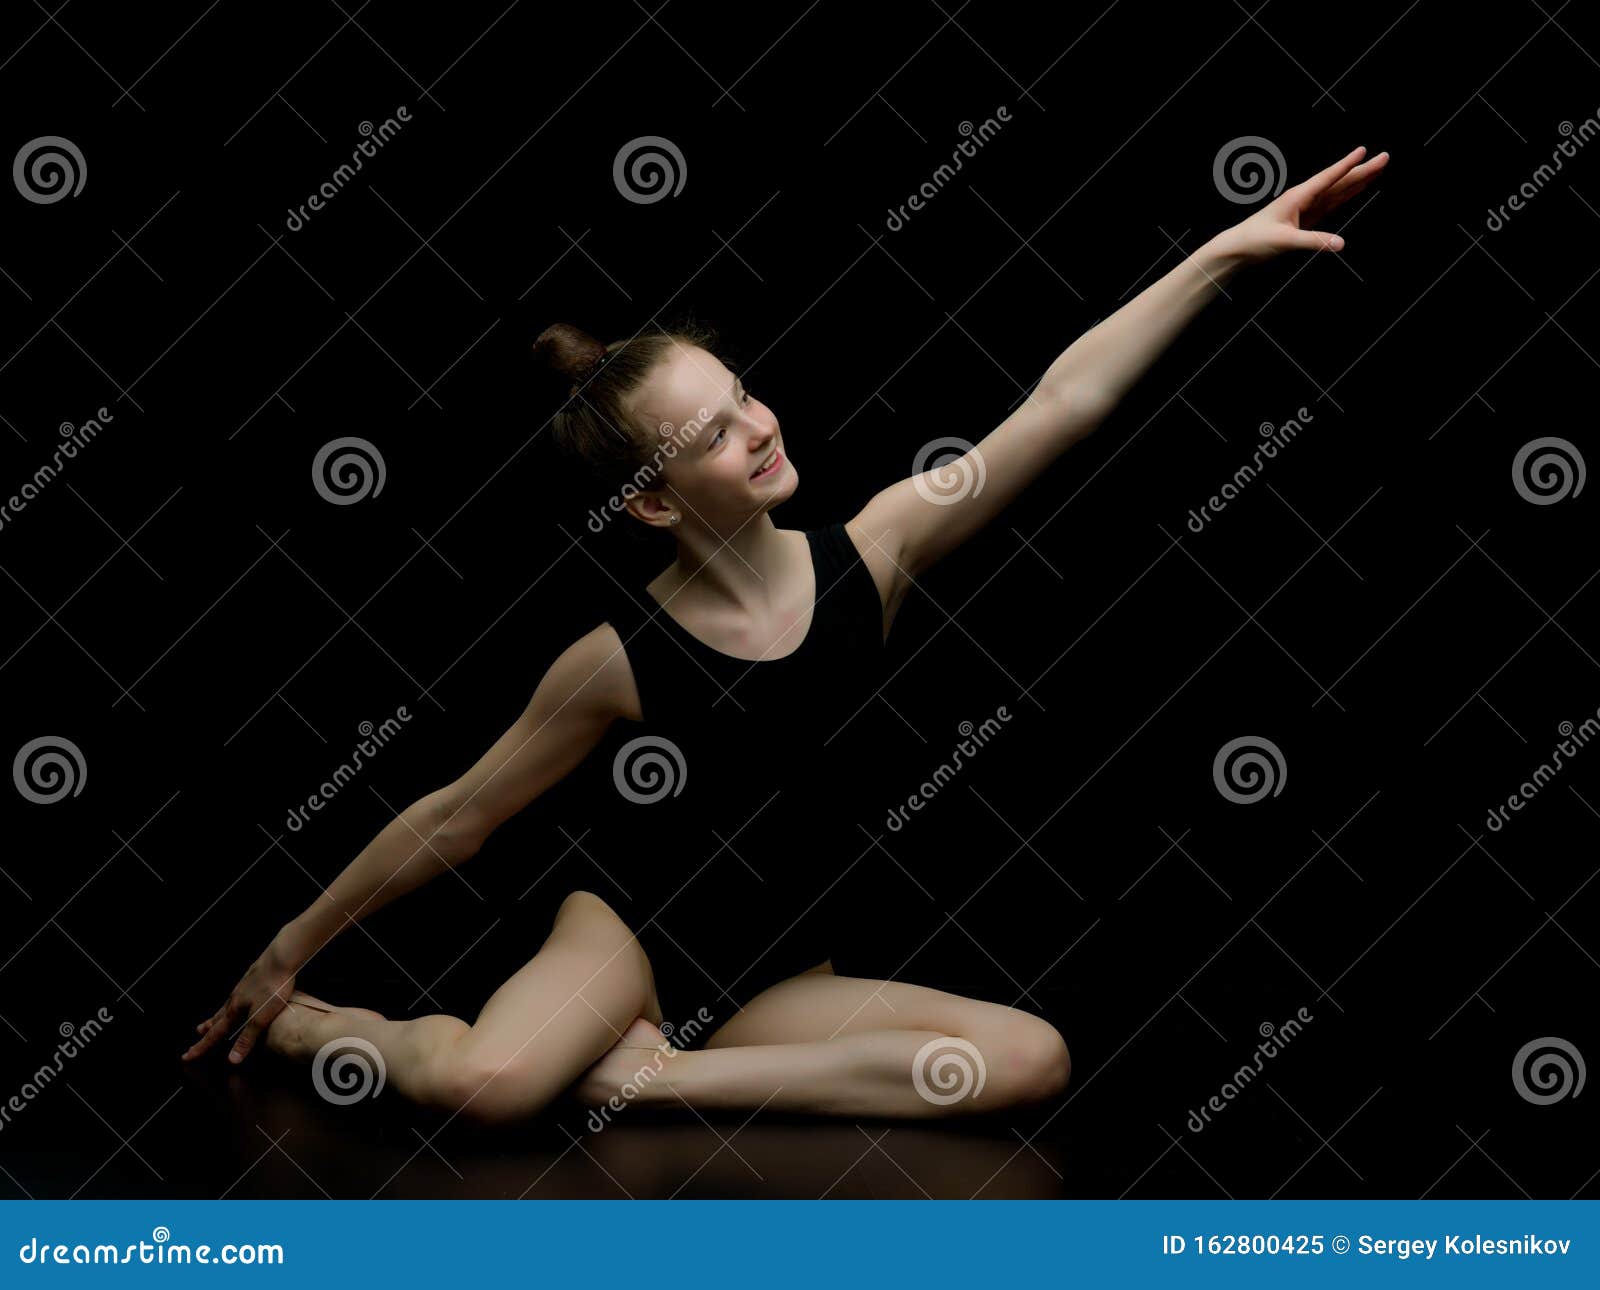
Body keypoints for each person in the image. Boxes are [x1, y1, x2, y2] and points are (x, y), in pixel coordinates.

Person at [181, 146, 1387, 1126]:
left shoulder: (875, 552)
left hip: (781, 974)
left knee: (1027, 1061)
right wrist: (289, 951)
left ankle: (653, 1087)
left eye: (742, 397)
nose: (755, 428)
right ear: (651, 497)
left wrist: (1224, 252)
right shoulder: (617, 657)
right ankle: (336, 1031)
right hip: (632, 943)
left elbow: (1062, 402)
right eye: (708, 435)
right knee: (488, 1087)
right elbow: (460, 813)